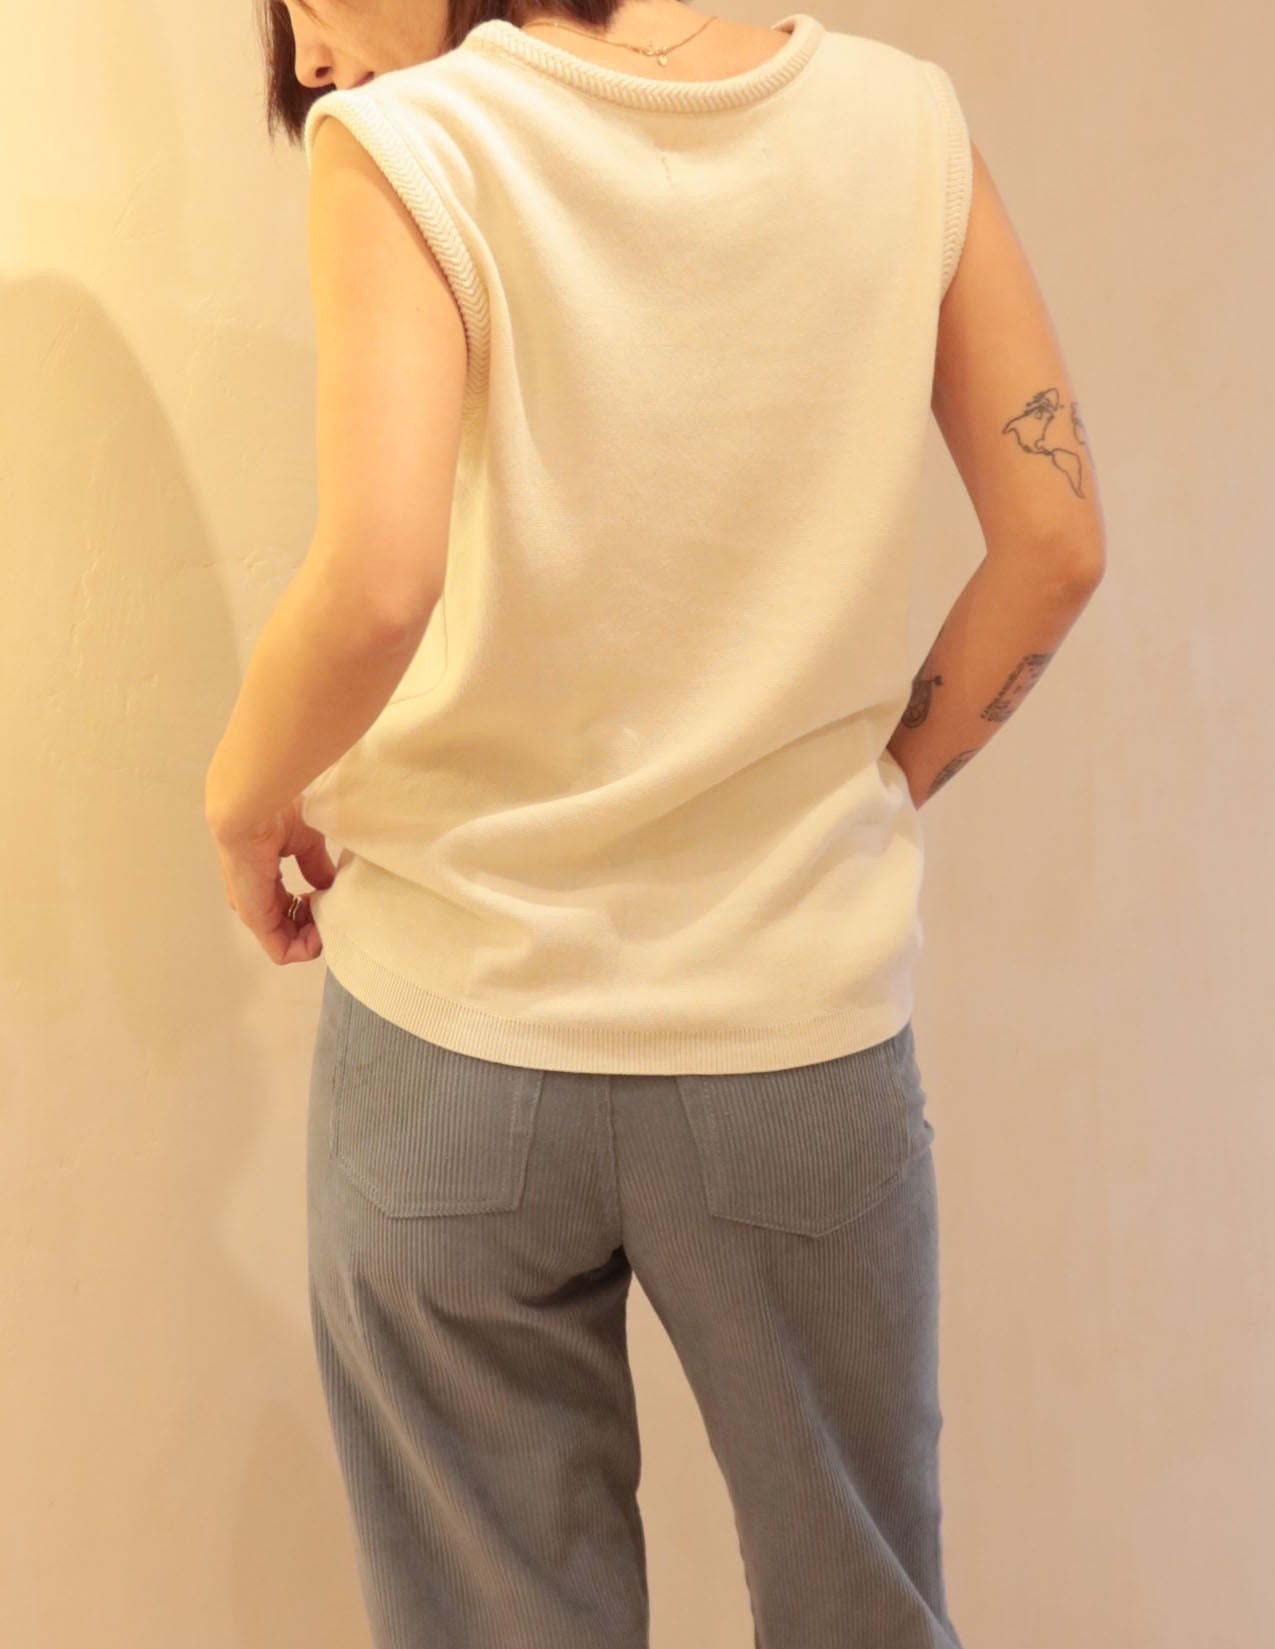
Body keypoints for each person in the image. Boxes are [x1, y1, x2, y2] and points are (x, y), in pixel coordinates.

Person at [205, 3, 1107, 1645]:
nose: (313, 62)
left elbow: (380, 584)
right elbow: (1055, 540)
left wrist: (241, 798)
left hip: (455, 1027)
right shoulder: (902, 125)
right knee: (864, 1611)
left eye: (298, 13)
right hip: (793, 1031)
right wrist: (882, 781)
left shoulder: (407, 149)